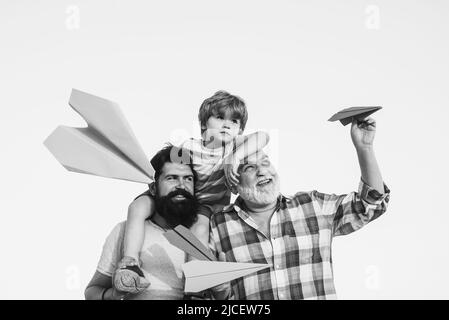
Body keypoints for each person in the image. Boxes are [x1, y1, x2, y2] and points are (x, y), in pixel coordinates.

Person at [209, 117, 391, 299]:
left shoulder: (311, 205)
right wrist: (219, 289)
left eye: (265, 162)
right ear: (233, 185)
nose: (262, 171)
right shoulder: (218, 226)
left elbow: (369, 205)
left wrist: (365, 147)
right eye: (249, 167)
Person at [113, 91, 270, 293]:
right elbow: (167, 169)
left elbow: (263, 137)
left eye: (234, 121)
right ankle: (130, 261)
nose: (227, 125)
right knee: (138, 206)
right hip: (180, 197)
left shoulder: (234, 147)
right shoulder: (189, 146)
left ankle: (196, 287)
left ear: (239, 130)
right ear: (204, 124)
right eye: (220, 117)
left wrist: (237, 158)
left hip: (207, 205)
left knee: (199, 230)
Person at [85, 145, 230, 300]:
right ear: (153, 188)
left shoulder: (212, 233)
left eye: (188, 179)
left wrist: (222, 290)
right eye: (171, 178)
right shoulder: (125, 231)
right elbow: (92, 291)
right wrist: (114, 294)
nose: (182, 185)